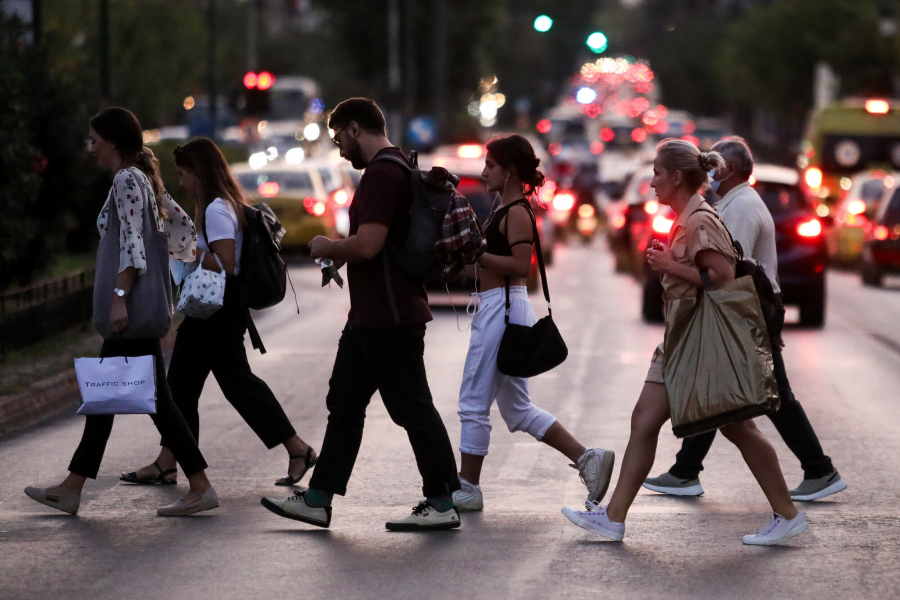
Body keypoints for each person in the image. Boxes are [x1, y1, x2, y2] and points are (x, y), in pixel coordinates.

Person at [561, 139, 808, 545]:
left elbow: (723, 277)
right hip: (682, 336)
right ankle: (614, 517)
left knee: (738, 428)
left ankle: (787, 513)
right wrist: (672, 264)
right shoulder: (687, 217)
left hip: (700, 339)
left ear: (677, 177)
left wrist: (670, 265)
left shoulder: (699, 219)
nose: (652, 182)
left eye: (657, 173)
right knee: (645, 420)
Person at [260, 98, 462, 531]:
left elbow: (369, 244)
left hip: (388, 316)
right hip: (373, 314)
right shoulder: (398, 168)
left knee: (411, 408)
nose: (339, 150)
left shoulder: (382, 175)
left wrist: (329, 247)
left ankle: (443, 501)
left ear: (355, 129)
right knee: (345, 404)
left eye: (339, 139)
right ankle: (318, 498)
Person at [24, 107, 218, 517]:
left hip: (129, 311)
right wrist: (179, 257)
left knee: (143, 401)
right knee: (110, 397)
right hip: (138, 311)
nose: (90, 148)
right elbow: (180, 229)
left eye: (94, 140)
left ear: (111, 141)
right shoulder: (143, 177)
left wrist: (118, 295)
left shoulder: (127, 179)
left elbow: (133, 244)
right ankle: (73, 487)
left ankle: (200, 485)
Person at [644, 137, 846, 502]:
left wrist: (674, 267)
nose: (707, 175)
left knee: (769, 395)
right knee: (725, 391)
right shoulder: (738, 203)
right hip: (750, 307)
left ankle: (818, 469)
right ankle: (686, 470)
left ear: (729, 170)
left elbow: (725, 272)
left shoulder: (737, 209)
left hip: (748, 310)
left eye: (713, 169)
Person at [120, 138, 318, 488]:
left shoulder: (215, 209)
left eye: (183, 174)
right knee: (181, 386)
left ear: (199, 172)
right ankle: (167, 462)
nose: (181, 182)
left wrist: (191, 253)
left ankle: (297, 448)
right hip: (210, 313)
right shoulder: (221, 205)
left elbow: (227, 263)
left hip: (218, 312)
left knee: (238, 386)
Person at [451, 134, 614, 512]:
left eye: (490, 166)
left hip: (502, 310)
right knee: (518, 410)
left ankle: (468, 486)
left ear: (509, 171)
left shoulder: (518, 212)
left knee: (473, 401)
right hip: (501, 307)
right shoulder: (504, 209)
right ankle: (588, 458)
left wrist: (480, 255)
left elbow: (521, 268)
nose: (483, 172)